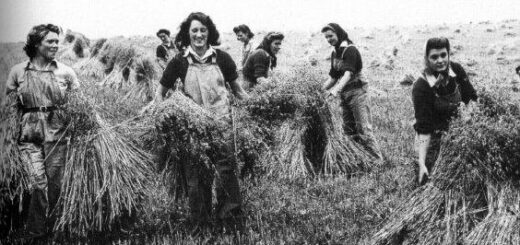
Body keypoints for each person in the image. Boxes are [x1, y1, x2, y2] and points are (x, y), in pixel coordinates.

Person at [151, 12, 247, 229]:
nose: (199, 34)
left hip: (222, 125)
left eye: (203, 30)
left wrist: (259, 106)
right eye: (194, 30)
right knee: (196, 178)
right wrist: (161, 113)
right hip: (193, 129)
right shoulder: (179, 61)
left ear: (209, 32)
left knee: (226, 173)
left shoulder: (222, 58)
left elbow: (239, 91)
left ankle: (229, 223)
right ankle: (200, 226)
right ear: (187, 33)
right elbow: (160, 92)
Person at [5, 24, 79, 239]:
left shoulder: (65, 72)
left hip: (57, 133)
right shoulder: (18, 71)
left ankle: (57, 229)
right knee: (36, 183)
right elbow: (9, 106)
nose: (56, 45)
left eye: (57, 41)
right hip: (28, 134)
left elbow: (79, 105)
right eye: (51, 41)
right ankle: (35, 231)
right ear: (37, 44)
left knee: (56, 185)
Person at [413, 37, 477, 184]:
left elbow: (471, 97)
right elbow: (424, 128)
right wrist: (421, 162)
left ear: (448, 54)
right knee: (430, 178)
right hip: (434, 136)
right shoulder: (421, 86)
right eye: (434, 57)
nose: (440, 60)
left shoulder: (456, 70)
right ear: (427, 59)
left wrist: (469, 120)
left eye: (443, 55)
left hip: (459, 130)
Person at [321, 23, 383, 160]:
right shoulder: (334, 52)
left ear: (338, 33)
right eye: (326, 38)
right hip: (345, 94)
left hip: (357, 91)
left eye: (331, 36)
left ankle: (377, 160)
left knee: (363, 129)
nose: (329, 39)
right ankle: (358, 158)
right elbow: (333, 77)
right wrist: (318, 91)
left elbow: (348, 74)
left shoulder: (350, 50)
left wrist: (335, 90)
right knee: (348, 130)